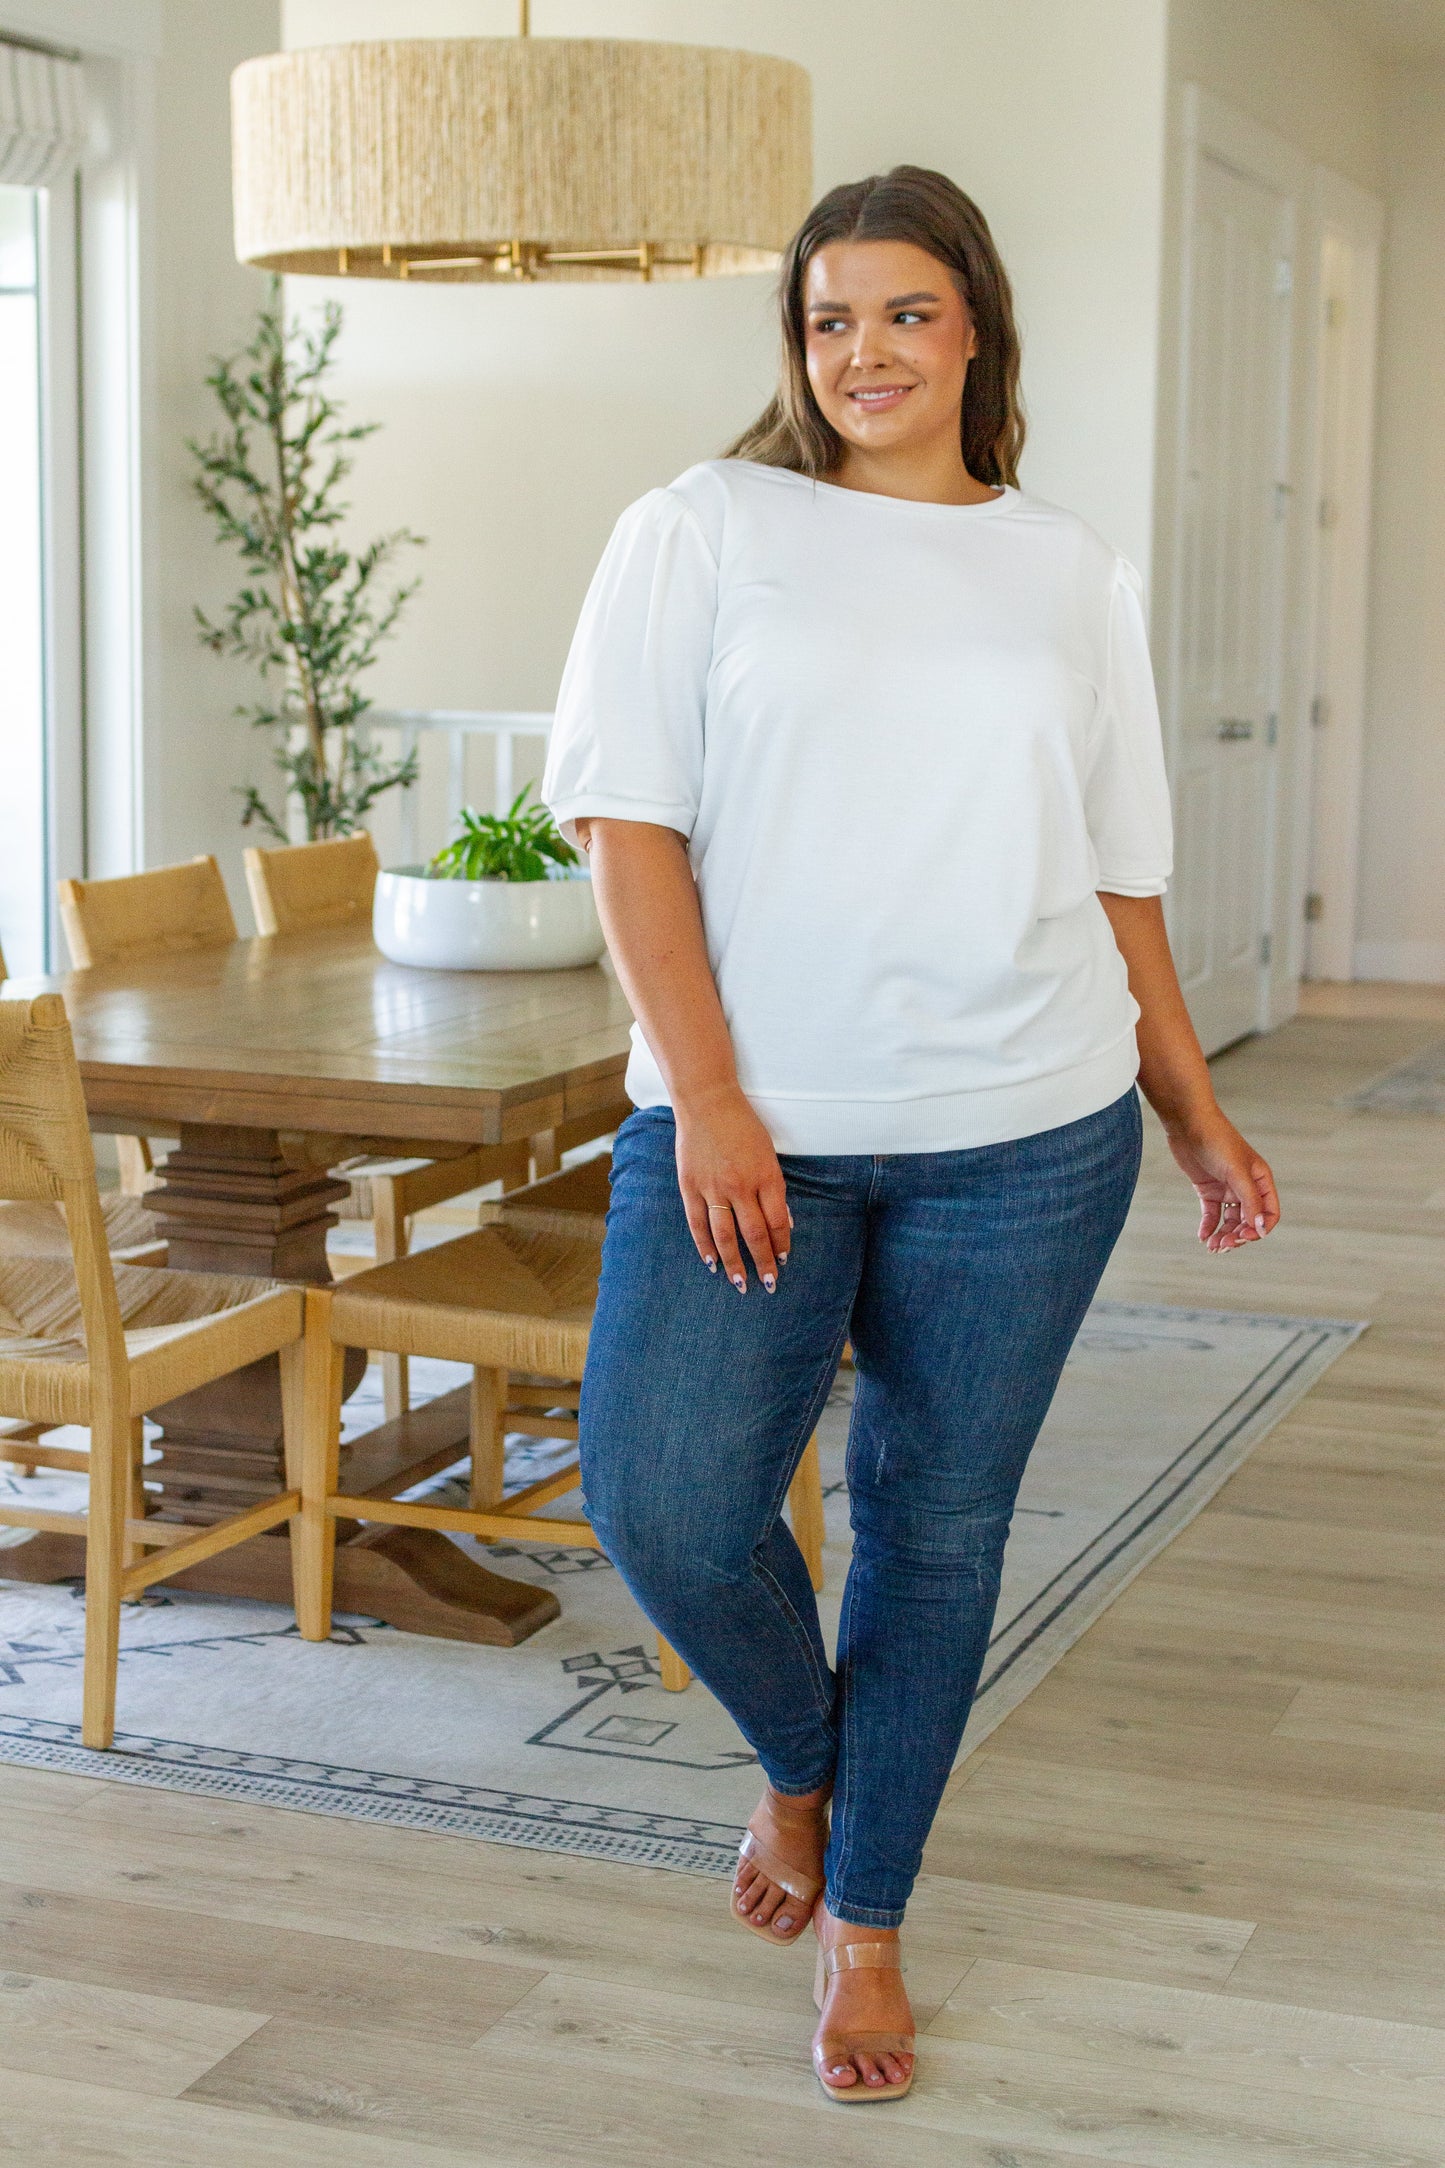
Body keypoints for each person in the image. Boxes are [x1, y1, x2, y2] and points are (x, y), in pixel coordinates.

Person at [542, 164, 1280, 2106]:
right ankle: (802, 1764)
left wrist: (1189, 1104)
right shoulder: (704, 527)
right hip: (748, 1132)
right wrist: (705, 1091)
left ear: (974, 331)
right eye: (827, 319)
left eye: (903, 313)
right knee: (672, 1502)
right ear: (796, 350)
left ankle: (867, 1917)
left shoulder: (1067, 569)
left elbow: (1120, 873)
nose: (863, 350)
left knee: (936, 1534)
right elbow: (630, 823)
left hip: (1029, 1134)